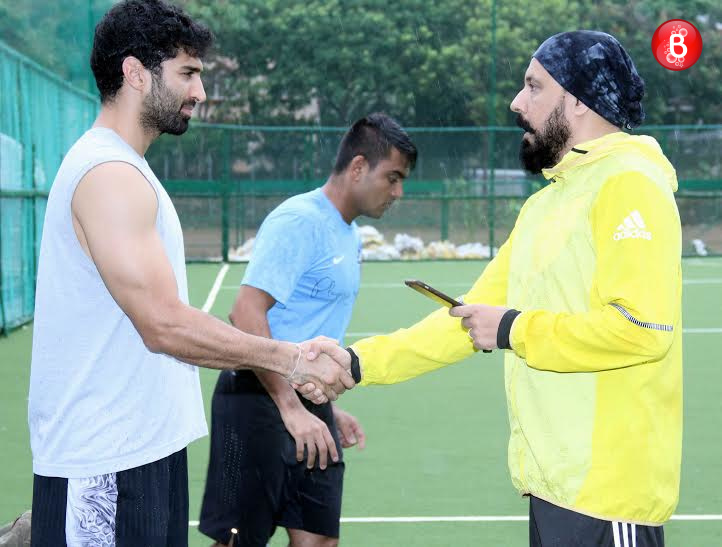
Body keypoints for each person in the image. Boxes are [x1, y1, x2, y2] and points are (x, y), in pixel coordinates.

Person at [303, 31, 681, 547]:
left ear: (575, 100)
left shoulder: (629, 182)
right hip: (553, 488)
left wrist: (512, 328)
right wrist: (356, 363)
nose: (516, 102)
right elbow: (464, 319)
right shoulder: (545, 206)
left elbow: (641, 329)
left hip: (607, 494)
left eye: (533, 87)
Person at [27, 1, 354, 545]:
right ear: (134, 73)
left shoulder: (128, 169)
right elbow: (165, 326)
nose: (199, 92)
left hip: (142, 455)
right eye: (188, 73)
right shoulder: (109, 174)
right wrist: (291, 359)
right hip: (105, 465)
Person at [198, 113, 418, 547]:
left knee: (318, 540)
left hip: (307, 402)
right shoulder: (299, 220)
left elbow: (305, 322)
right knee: (240, 542)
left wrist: (323, 409)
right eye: (392, 178)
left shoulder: (347, 232)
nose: (399, 192)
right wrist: (290, 407)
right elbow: (244, 313)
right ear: (358, 168)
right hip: (257, 399)